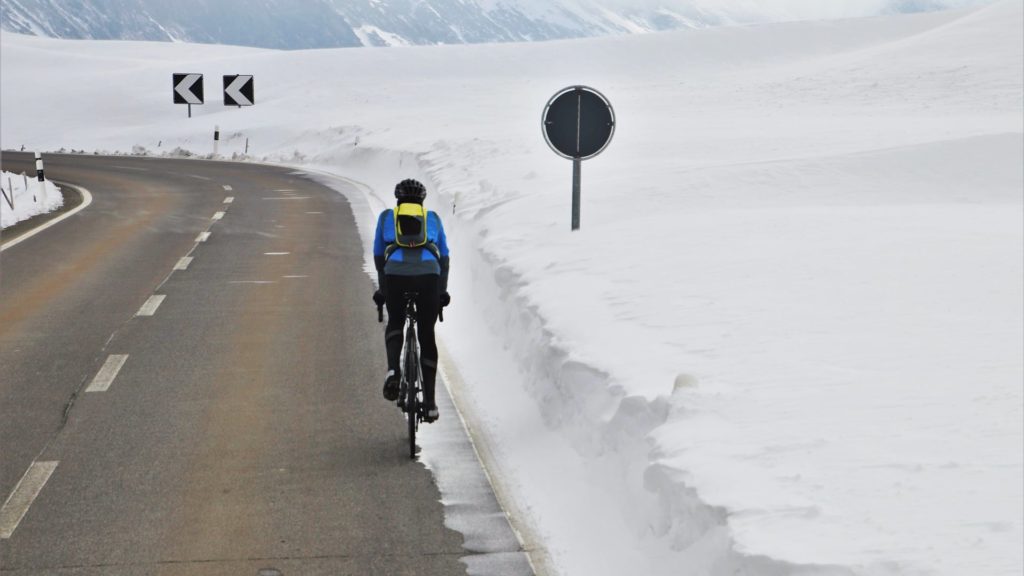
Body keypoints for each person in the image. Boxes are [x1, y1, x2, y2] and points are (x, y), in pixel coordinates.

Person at [372, 178, 450, 422]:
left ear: (398, 200)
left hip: (396, 275)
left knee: (395, 321)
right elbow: (444, 258)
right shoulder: (433, 218)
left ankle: (394, 370)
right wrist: (441, 291)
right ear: (422, 201)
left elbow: (378, 256)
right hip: (428, 276)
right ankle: (430, 403)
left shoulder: (387, 217)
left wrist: (383, 289)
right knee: (426, 334)